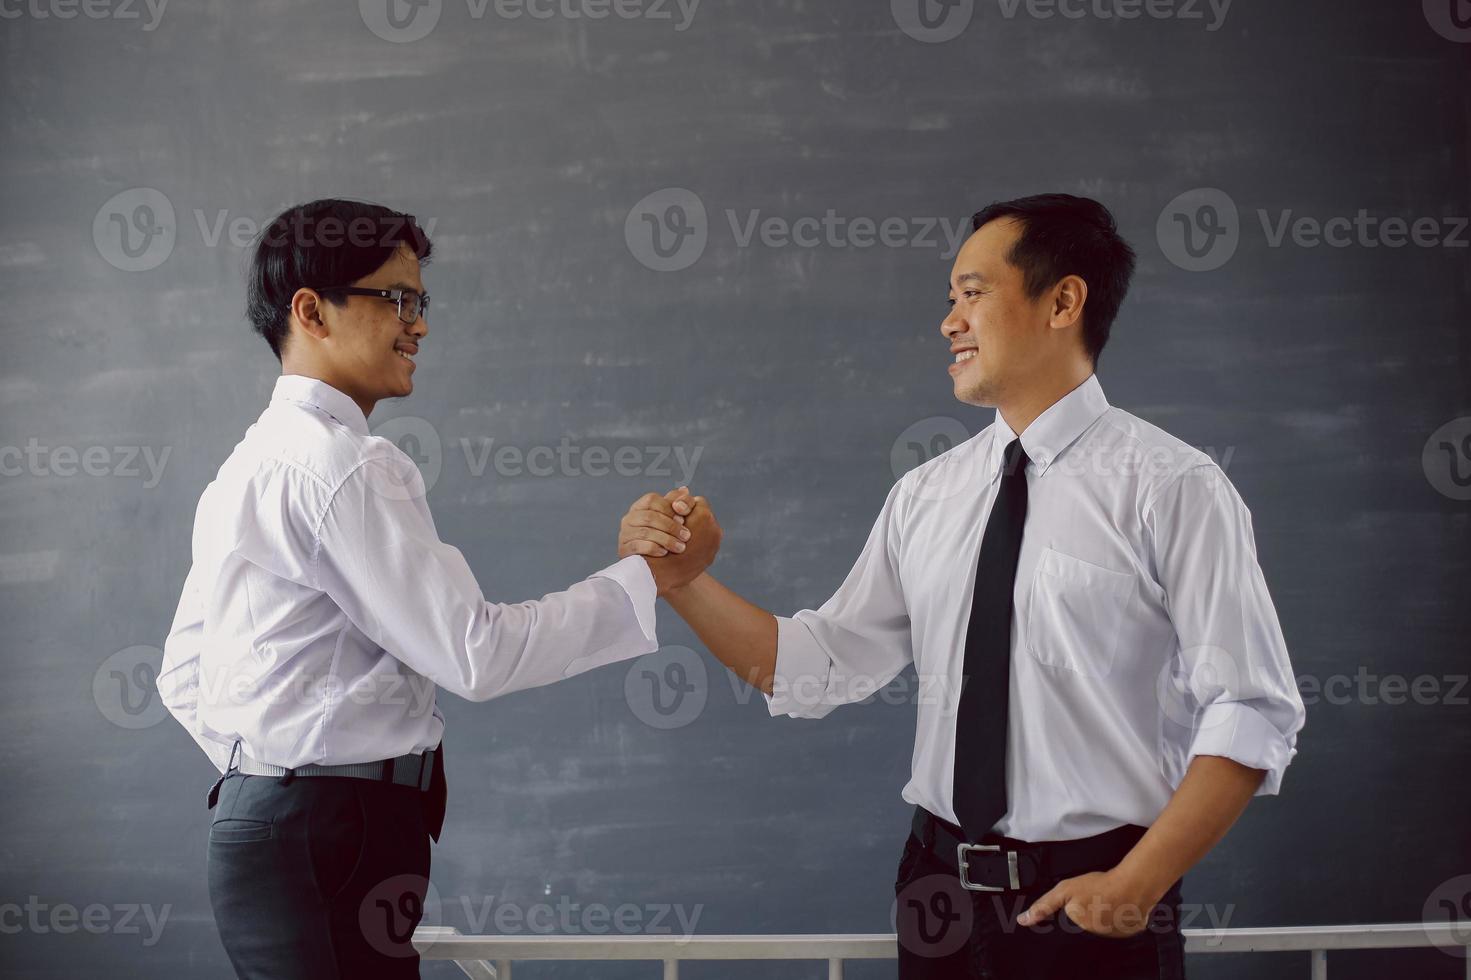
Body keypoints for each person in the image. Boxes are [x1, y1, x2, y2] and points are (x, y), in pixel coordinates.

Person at [617, 193, 1307, 979]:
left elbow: (1249, 706)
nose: (948, 322)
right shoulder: (925, 494)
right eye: (950, 300)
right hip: (936, 888)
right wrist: (682, 581)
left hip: (1094, 894)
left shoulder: (1172, 486)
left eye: (971, 294)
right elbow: (816, 666)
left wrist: (1136, 883)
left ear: (1063, 300)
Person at [158, 198, 718, 979]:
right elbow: (475, 653)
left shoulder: (248, 465)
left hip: (277, 836)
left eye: (420, 301)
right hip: (334, 836)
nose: (418, 325)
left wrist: (270, 775)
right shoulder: (348, 466)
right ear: (311, 311)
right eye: (396, 299)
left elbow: (181, 673)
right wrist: (644, 579)